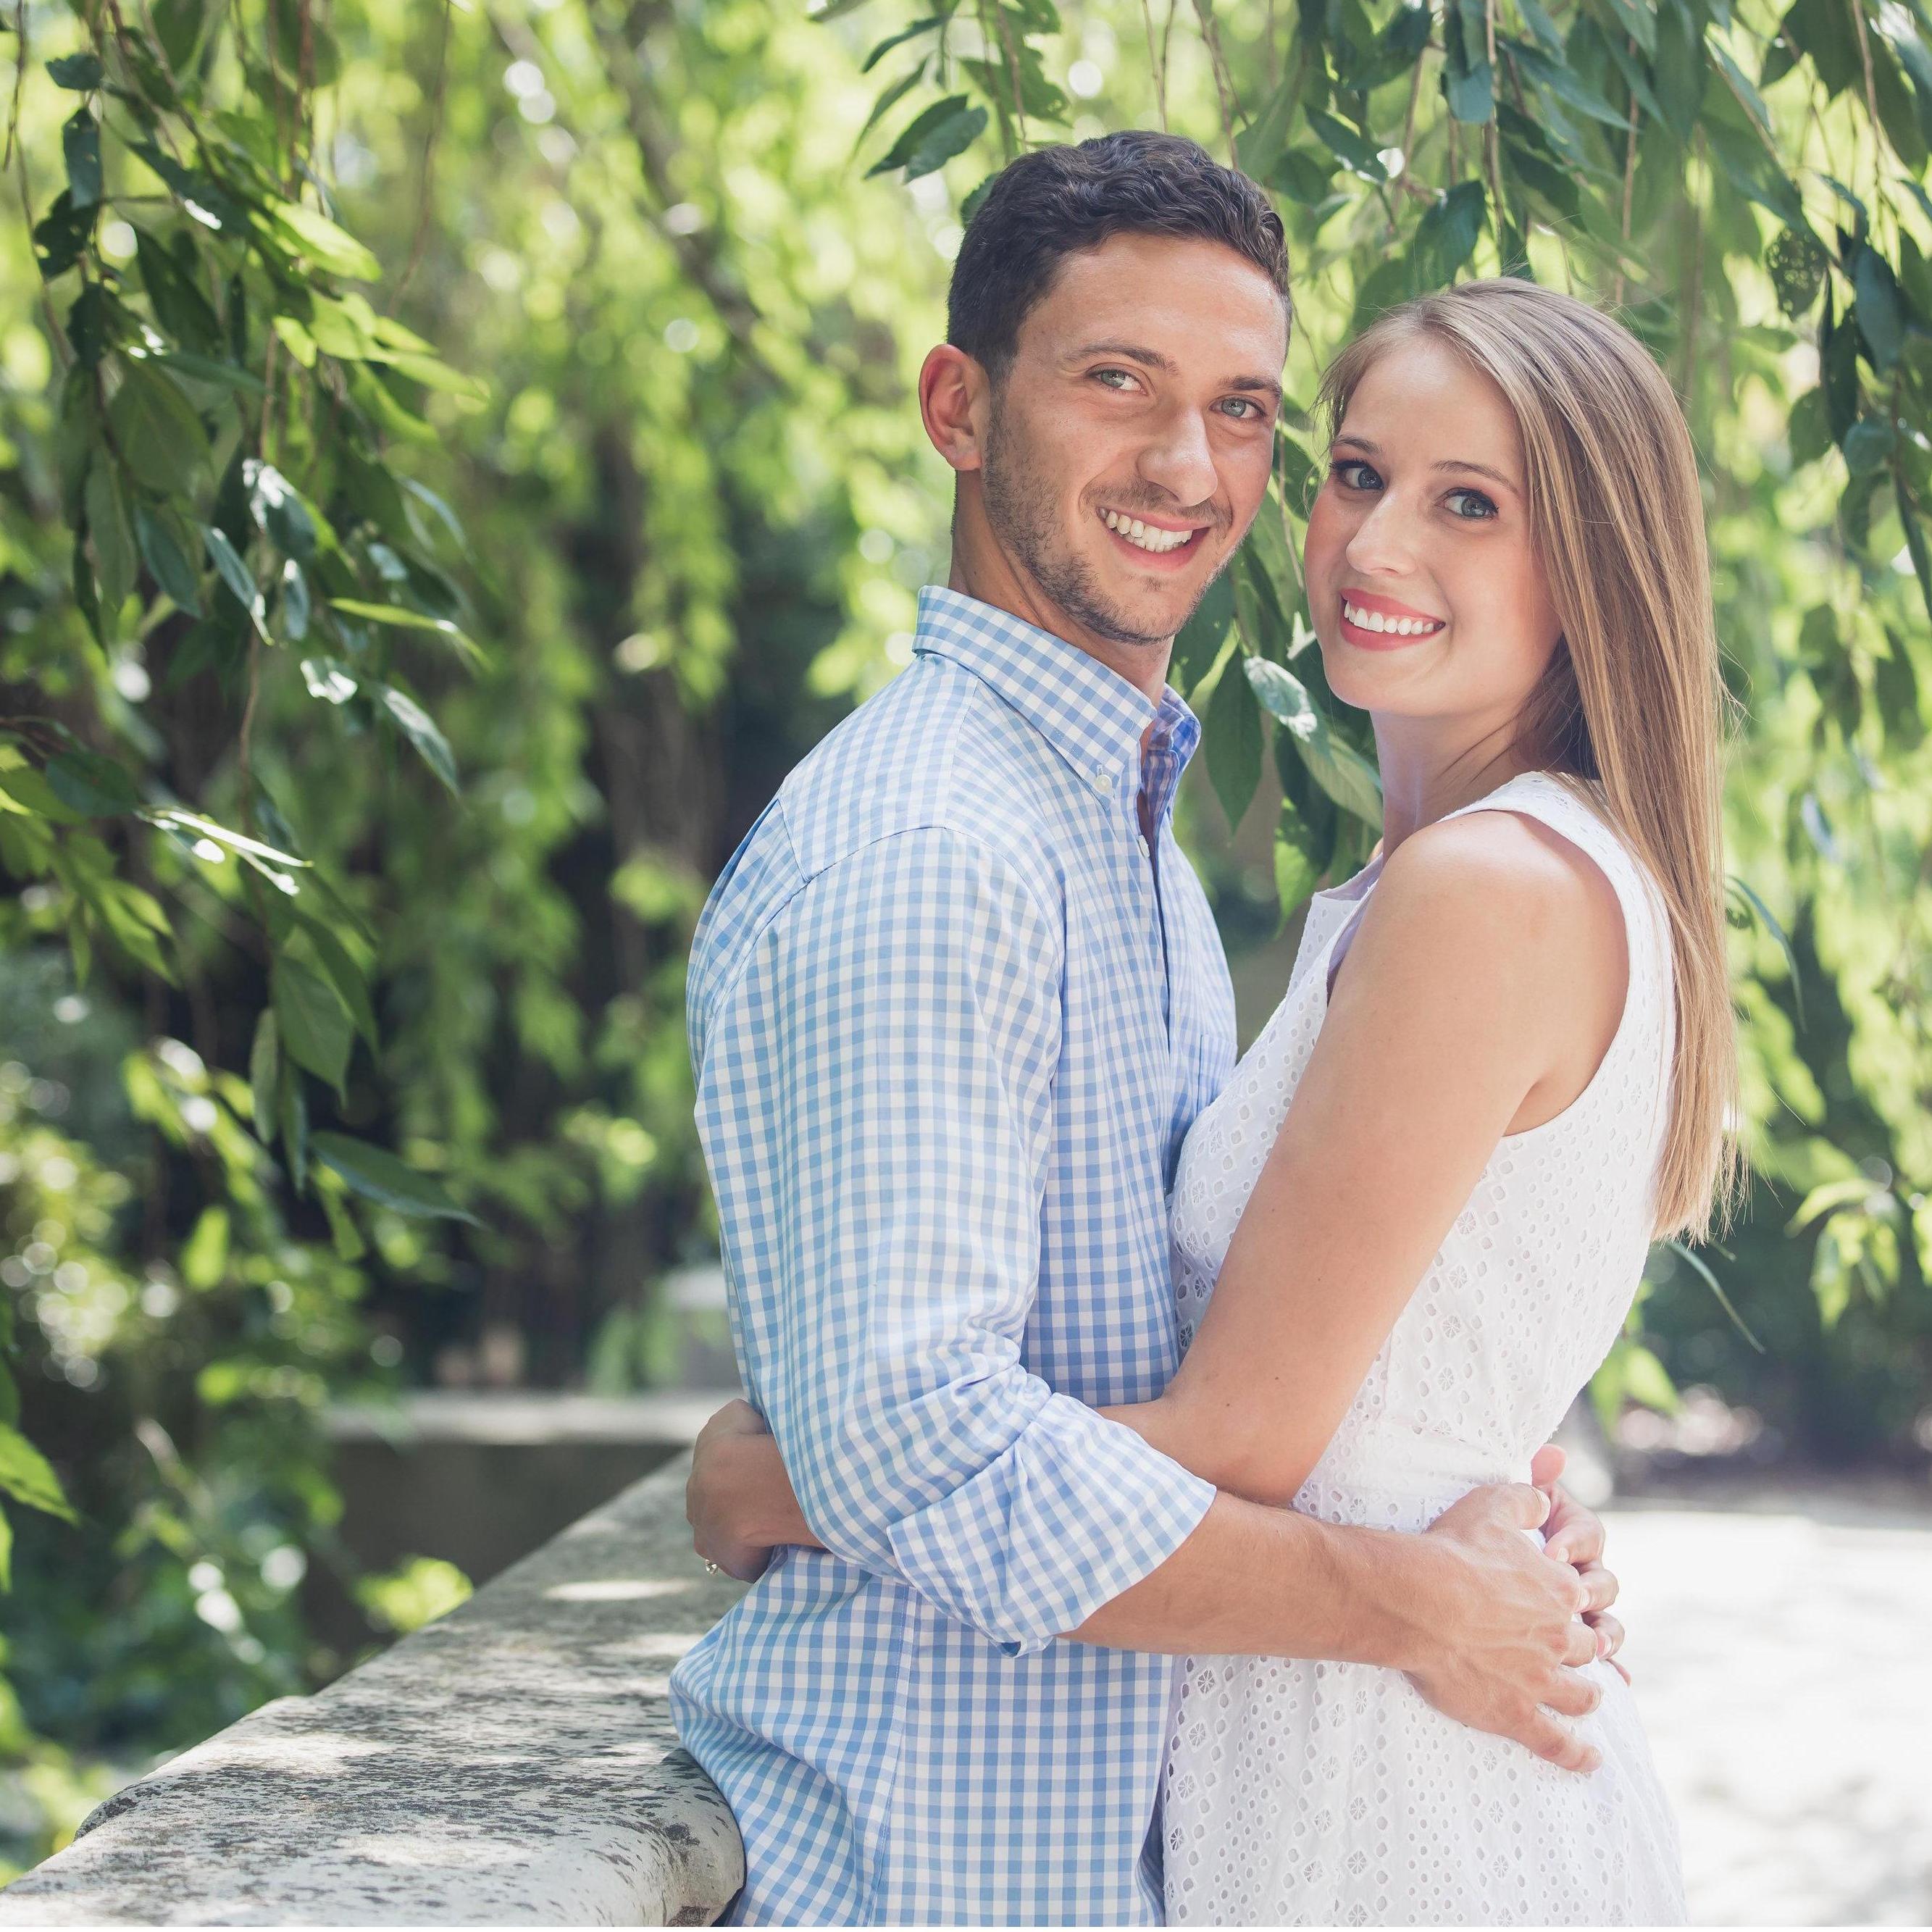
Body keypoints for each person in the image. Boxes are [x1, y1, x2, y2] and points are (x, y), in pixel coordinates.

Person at [670, 133, 1630, 1928]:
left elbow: (1243, 1366)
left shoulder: (1128, 844)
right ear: (960, 405)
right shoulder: (927, 852)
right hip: (927, 1865)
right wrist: (1410, 1591)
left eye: (1246, 411)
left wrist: (1456, 1484)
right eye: (1117, 382)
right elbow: (932, 1446)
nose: (1188, 467)